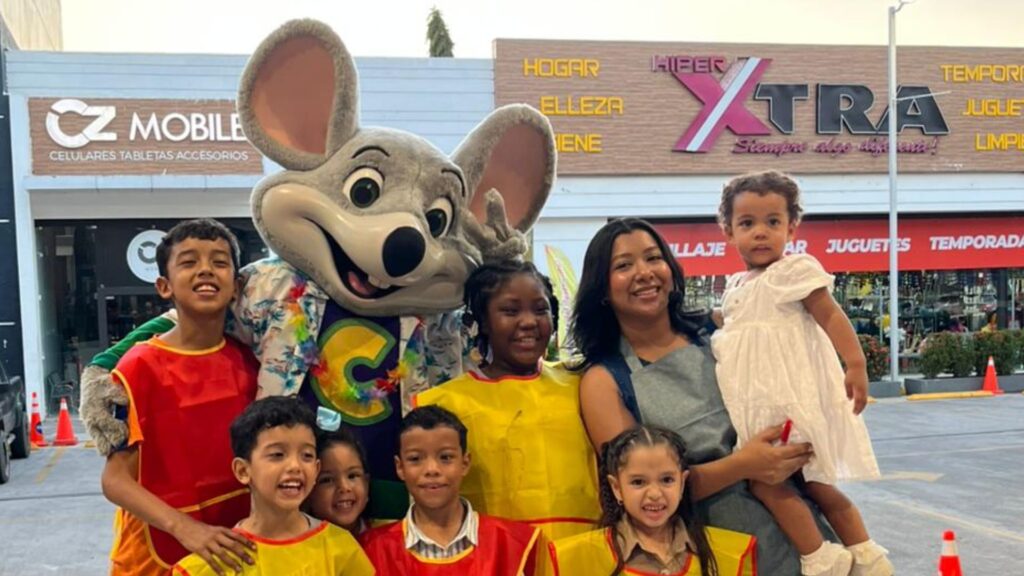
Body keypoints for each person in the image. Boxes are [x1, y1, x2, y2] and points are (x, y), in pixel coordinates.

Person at [573, 217, 834, 575]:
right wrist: (745, 465)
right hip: (716, 550)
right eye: (623, 265)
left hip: (805, 531)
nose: (644, 273)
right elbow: (635, 492)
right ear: (601, 288)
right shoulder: (604, 380)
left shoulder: (720, 330)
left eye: (653, 258)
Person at [713, 171, 889, 576]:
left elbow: (830, 314)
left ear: (793, 226)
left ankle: (821, 555)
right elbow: (738, 324)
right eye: (747, 223)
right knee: (813, 482)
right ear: (728, 230)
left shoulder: (793, 271)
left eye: (773, 222)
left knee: (773, 482)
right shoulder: (738, 284)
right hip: (758, 404)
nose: (761, 233)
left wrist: (856, 364)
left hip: (786, 399)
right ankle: (865, 554)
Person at [413, 261, 602, 575]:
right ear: (483, 322)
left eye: (541, 310)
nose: (529, 322)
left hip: (582, 558)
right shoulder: (442, 404)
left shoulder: (585, 384)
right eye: (511, 311)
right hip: (489, 561)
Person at [101, 219, 258, 575]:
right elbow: (115, 480)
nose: (205, 270)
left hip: (234, 547)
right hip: (154, 553)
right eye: (188, 262)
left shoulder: (251, 360)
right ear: (164, 286)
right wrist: (185, 528)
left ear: (236, 285)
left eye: (219, 262)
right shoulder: (137, 366)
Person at [173, 397, 375, 575]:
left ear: (316, 469)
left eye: (307, 455)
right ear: (243, 471)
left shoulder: (340, 548)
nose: (295, 466)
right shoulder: (212, 562)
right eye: (277, 455)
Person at [549, 425, 757, 575]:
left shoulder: (731, 555)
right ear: (616, 488)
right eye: (639, 482)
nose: (655, 493)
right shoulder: (573, 559)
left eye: (667, 480)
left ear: (682, 482)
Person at [360, 405, 539, 574]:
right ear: (400, 467)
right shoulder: (370, 550)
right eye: (415, 459)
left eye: (445, 457)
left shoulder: (516, 544)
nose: (432, 469)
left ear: (465, 463)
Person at [307, 413, 372, 535]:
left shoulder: (394, 538)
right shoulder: (300, 547)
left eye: (352, 476)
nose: (344, 487)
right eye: (327, 480)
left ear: (366, 483)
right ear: (308, 492)